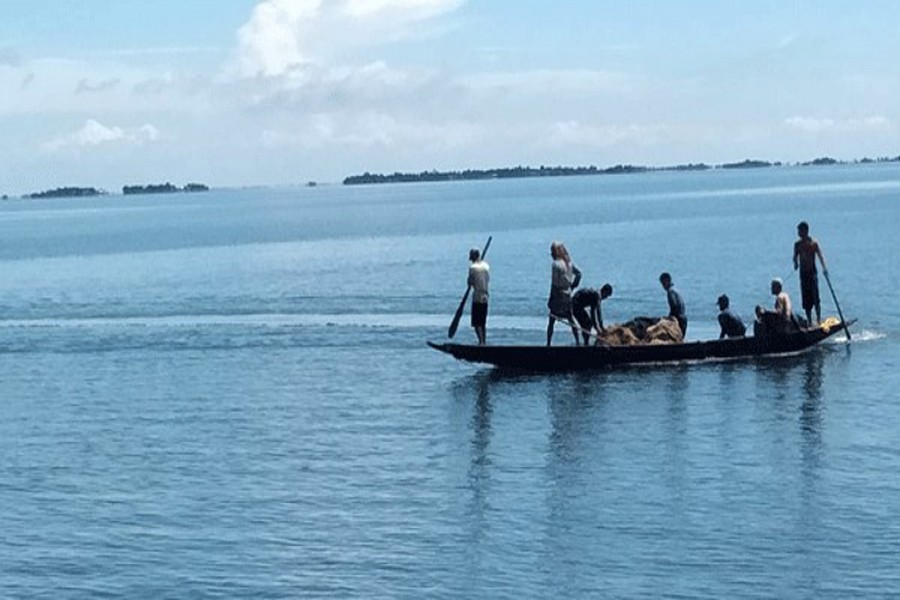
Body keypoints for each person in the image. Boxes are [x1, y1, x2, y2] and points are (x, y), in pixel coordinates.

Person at [546, 241, 581, 345]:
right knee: (570, 318)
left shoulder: (556, 264)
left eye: (552, 251)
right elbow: (579, 274)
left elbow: (554, 283)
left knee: (552, 319)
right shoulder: (569, 263)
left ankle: (548, 343)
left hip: (558, 294)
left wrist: (551, 298)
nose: (551, 253)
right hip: (568, 294)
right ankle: (578, 342)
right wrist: (573, 286)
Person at [793, 221, 827, 325]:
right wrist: (795, 264)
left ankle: (818, 319)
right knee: (806, 298)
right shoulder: (797, 245)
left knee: (815, 296)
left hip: (812, 273)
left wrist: (824, 268)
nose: (798, 233)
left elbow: (820, 256)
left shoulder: (813, 243)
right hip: (803, 274)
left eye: (800, 231)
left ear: (805, 231)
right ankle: (810, 321)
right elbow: (795, 257)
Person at [467, 247, 490, 345]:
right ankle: (484, 341)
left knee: (476, 323)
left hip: (477, 297)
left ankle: (481, 342)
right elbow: (487, 279)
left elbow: (470, 283)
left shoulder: (472, 268)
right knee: (482, 322)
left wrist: (469, 280)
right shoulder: (486, 266)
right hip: (485, 296)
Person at [659, 272, 687, 337]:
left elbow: (674, 306)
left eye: (663, 283)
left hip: (679, 319)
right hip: (683, 318)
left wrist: (669, 318)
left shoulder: (670, 291)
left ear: (667, 281)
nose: (663, 286)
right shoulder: (675, 289)